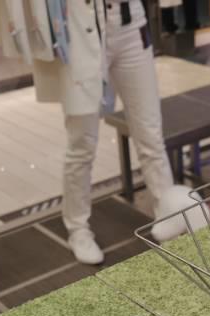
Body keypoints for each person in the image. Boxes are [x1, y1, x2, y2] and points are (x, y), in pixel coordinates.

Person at [46, 0, 174, 264]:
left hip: (130, 22)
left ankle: (170, 216)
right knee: (82, 143)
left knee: (150, 135)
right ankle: (78, 229)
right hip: (81, 28)